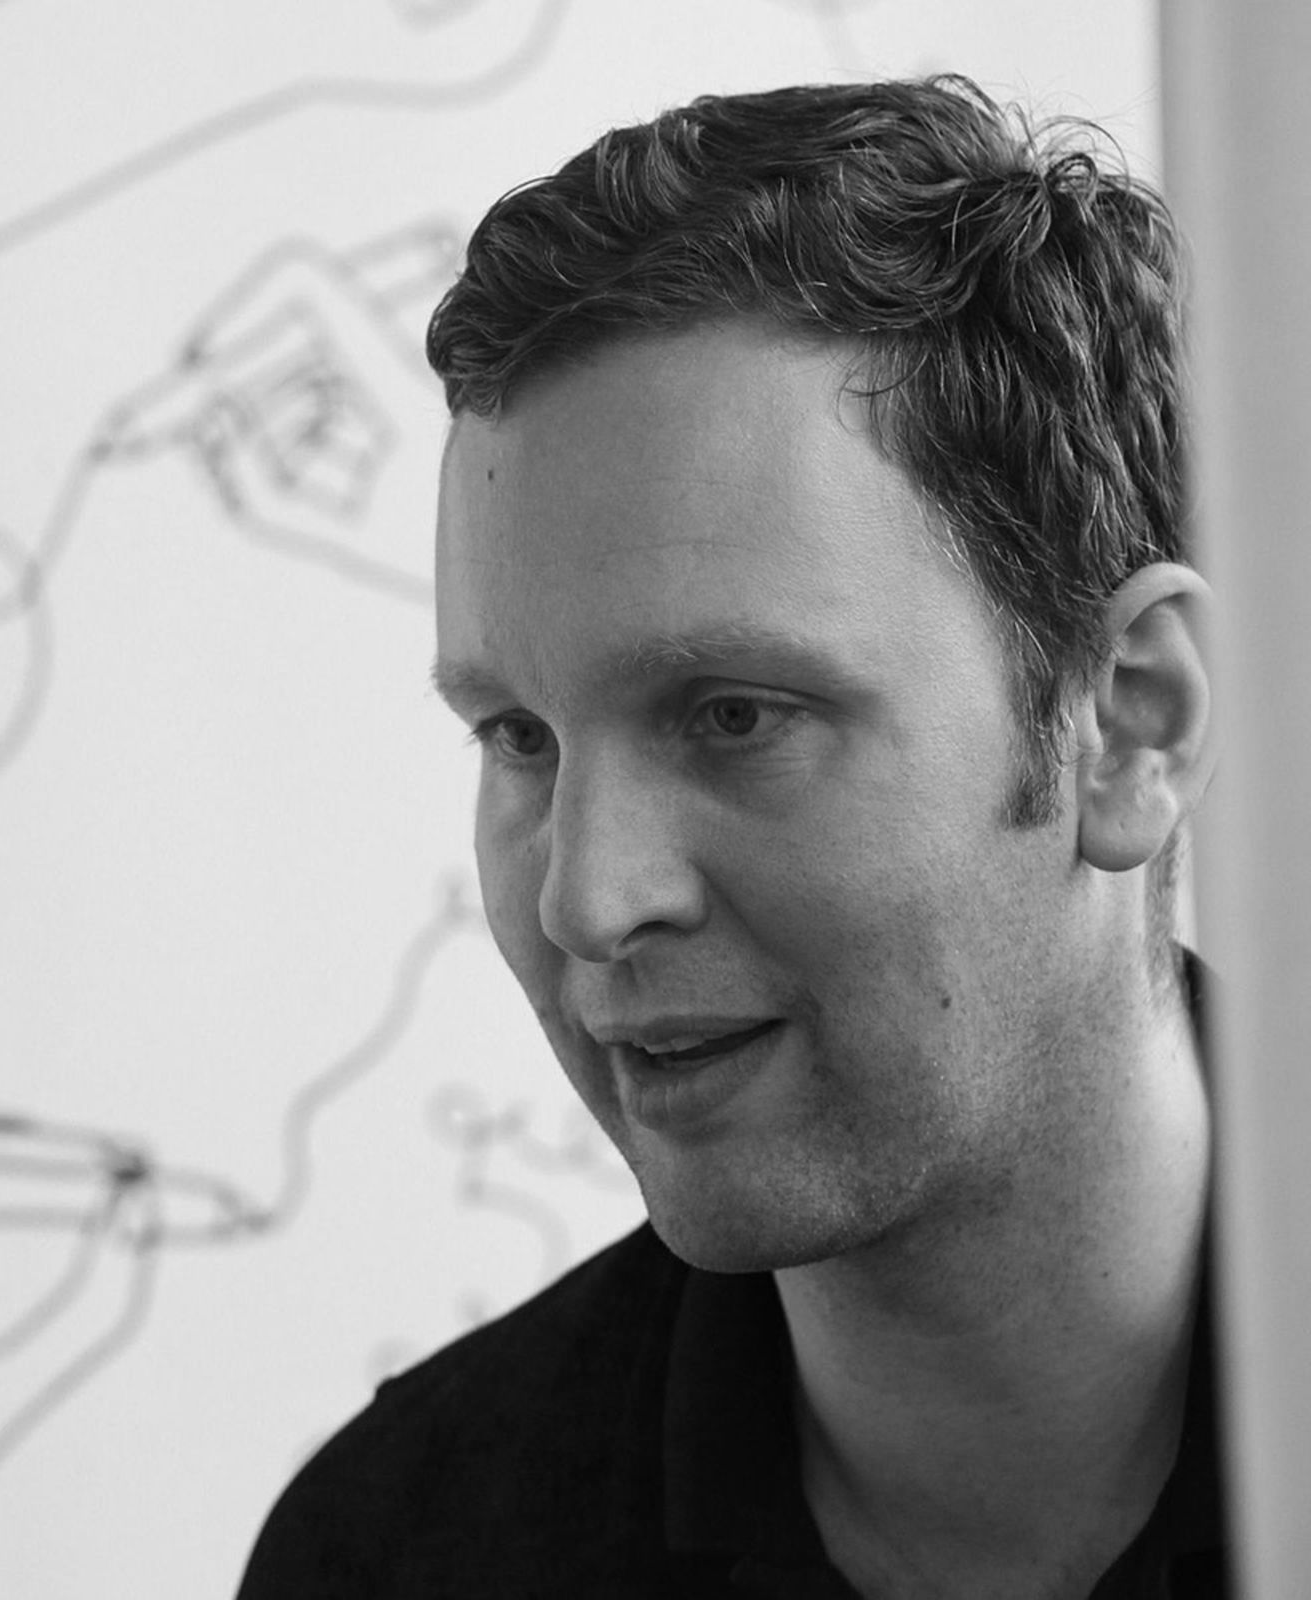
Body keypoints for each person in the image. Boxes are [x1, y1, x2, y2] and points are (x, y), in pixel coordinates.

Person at [237, 75, 1225, 1598]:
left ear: (1129, 723)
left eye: (735, 716)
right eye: (519, 737)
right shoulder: (400, 1553)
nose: (585, 897)